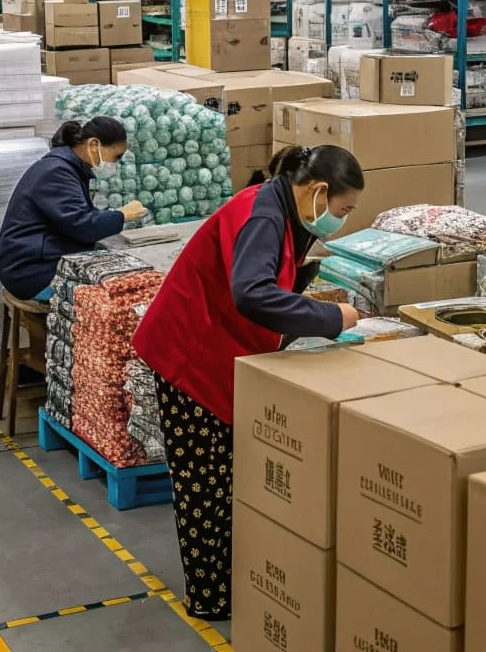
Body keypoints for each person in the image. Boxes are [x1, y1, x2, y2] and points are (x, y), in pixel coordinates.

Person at [132, 143, 365, 621]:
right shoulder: (263, 215)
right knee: (204, 483)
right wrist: (329, 318)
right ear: (318, 191)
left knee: (224, 477)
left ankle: (230, 581)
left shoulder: (284, 209)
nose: (340, 220)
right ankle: (210, 598)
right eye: (342, 211)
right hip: (189, 352)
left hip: (214, 345)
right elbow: (252, 293)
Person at [0, 116, 147, 301]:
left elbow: (78, 216)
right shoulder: (57, 172)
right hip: (32, 273)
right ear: (94, 145)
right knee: (123, 292)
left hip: (41, 260)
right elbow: (82, 225)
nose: (115, 165)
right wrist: (121, 215)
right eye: (116, 157)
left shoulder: (67, 168)